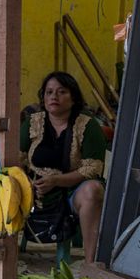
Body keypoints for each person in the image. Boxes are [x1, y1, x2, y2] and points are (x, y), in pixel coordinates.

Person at [19, 71, 107, 263]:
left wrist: (56, 180)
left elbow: (91, 169)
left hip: (71, 192)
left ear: (73, 97)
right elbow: (17, 158)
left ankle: (90, 262)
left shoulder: (88, 126)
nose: (54, 97)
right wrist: (27, 183)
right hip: (35, 189)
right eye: (49, 92)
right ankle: (3, 255)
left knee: (93, 190)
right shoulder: (33, 123)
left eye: (61, 92)